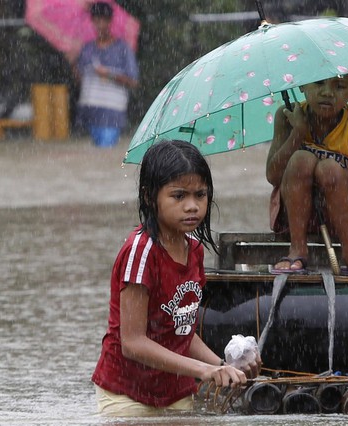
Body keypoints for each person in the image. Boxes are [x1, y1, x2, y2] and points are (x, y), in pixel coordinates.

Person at [92, 139, 261, 417]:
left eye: (200, 195)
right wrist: (205, 370)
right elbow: (133, 342)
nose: (192, 206)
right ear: (149, 196)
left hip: (175, 391)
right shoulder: (142, 252)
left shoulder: (194, 250)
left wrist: (224, 364)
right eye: (179, 196)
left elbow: (182, 331)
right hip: (126, 393)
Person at [266, 74, 348, 276]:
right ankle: (297, 248)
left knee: (329, 169)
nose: (327, 92)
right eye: (318, 82)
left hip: (338, 217)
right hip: (293, 216)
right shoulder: (287, 115)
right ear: (302, 85)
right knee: (301, 160)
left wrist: (328, 171)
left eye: (339, 86)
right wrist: (297, 132)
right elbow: (273, 176)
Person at [74, 1, 138, 148]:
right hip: (90, 111)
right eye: (96, 21)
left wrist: (109, 74)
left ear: (110, 21)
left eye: (103, 20)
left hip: (111, 113)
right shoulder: (87, 48)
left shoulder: (122, 48)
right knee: (94, 157)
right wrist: (72, 61)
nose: (99, 25)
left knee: (106, 149)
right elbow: (80, 79)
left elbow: (133, 81)